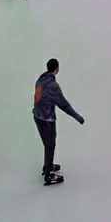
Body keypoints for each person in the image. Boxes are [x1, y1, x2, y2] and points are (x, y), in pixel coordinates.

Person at [33, 58, 85, 186]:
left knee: (47, 144)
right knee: (50, 145)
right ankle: (48, 175)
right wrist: (77, 117)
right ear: (57, 69)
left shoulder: (40, 79)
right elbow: (64, 105)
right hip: (47, 119)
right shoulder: (53, 86)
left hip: (37, 116)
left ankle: (48, 166)